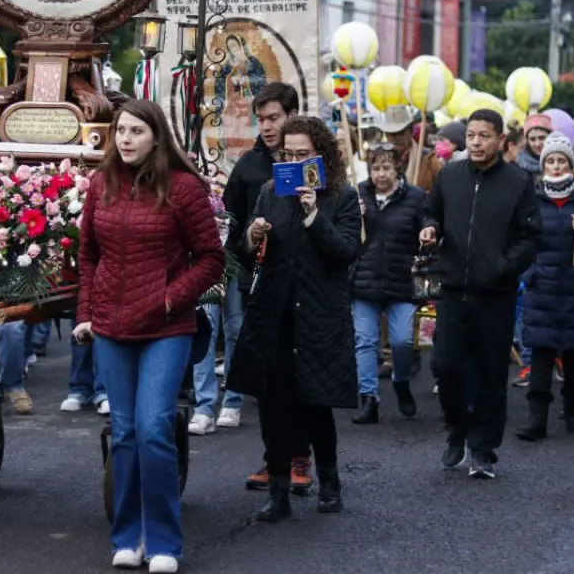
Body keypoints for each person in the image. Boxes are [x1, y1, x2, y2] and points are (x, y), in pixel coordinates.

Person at [75, 99, 224, 573]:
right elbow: (87, 257)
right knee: (124, 433)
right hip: (111, 328)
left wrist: (168, 297)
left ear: (156, 137)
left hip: (166, 327)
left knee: (155, 429)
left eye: (136, 131)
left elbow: (210, 259)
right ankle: (127, 537)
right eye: (121, 130)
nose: (125, 139)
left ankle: (163, 542)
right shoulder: (101, 184)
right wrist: (87, 314)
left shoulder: (183, 188)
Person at [228, 115, 361, 521]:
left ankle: (330, 483)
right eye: (288, 154)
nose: (294, 160)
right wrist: (252, 236)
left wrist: (312, 215)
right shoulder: (270, 191)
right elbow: (245, 248)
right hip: (275, 313)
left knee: (316, 405)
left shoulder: (343, 196)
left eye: (303, 154)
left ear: (321, 156)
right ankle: (280, 490)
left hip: (320, 315)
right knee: (273, 406)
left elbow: (345, 253)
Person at [419, 108, 541, 479]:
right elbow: (431, 213)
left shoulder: (518, 182)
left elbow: (530, 238)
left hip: (496, 294)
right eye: (470, 135)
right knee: (446, 367)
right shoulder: (450, 175)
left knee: (491, 373)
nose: (475, 142)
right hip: (453, 289)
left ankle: (484, 448)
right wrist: (429, 229)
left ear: (501, 140)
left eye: (483, 135)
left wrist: (503, 267)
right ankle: (458, 427)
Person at [214, 82, 315, 494]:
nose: (267, 126)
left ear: (292, 114)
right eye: (261, 119)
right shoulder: (250, 167)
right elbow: (230, 222)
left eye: (274, 117)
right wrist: (238, 259)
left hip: (307, 286)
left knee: (303, 375)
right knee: (267, 373)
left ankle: (301, 459)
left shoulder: (316, 161)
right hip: (260, 281)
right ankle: (273, 459)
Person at [516, 132, 574, 441]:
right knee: (540, 357)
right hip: (543, 288)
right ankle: (536, 418)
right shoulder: (532, 197)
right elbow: (521, 240)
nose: (556, 166)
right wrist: (530, 274)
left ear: (572, 164)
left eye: (561, 160)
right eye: (551, 161)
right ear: (543, 166)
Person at [350, 141, 426, 424]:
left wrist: (430, 232)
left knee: (402, 341)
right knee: (365, 342)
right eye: (375, 168)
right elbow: (343, 233)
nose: (380, 174)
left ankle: (402, 381)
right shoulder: (358, 194)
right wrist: (352, 216)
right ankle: (368, 399)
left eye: (386, 168)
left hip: (402, 281)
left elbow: (428, 227)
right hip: (364, 281)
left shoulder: (415, 197)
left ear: (398, 169)